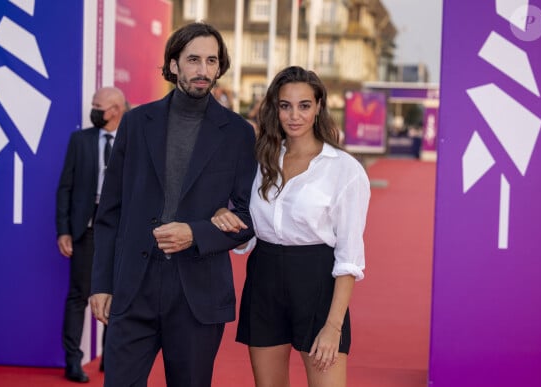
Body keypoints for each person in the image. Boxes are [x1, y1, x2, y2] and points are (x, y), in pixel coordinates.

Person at [89, 22, 257, 387]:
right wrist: (101, 283)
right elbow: (110, 213)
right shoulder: (135, 123)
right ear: (174, 64)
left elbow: (248, 216)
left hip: (197, 293)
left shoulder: (239, 133)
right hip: (134, 287)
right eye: (193, 60)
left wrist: (195, 233)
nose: (203, 70)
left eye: (211, 61)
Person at [211, 66, 371, 387]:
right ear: (275, 108)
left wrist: (333, 326)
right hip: (264, 281)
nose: (294, 115)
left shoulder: (345, 170)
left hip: (318, 285)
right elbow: (247, 228)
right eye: (285, 105)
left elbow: (349, 258)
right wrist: (225, 219)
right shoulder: (261, 160)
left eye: (304, 105)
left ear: (319, 107)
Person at [56, 86, 127, 383]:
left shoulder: (132, 140)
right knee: (78, 296)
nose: (94, 109)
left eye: (99, 105)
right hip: (85, 227)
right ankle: (73, 361)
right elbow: (65, 188)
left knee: (119, 296)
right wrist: (64, 230)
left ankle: (111, 359)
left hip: (121, 229)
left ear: (115, 111)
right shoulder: (80, 140)